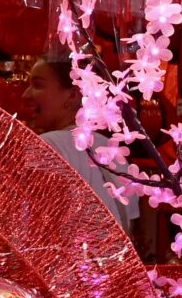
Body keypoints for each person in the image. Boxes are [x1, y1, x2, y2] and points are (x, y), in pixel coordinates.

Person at [26, 55, 134, 230]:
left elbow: (32, 224)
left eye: (37, 85)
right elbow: (130, 222)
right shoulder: (113, 149)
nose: (26, 94)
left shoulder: (47, 146)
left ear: (72, 95)